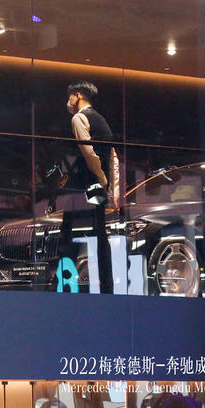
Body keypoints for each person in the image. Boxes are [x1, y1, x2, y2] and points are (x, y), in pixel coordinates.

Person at [64, 81, 119, 294]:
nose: (68, 101)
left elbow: (88, 152)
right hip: (98, 186)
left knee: (70, 232)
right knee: (99, 231)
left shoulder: (79, 118)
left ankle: (65, 286)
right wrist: (110, 186)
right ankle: (106, 285)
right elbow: (112, 156)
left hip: (85, 182)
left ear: (77, 95)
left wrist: (101, 177)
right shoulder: (101, 119)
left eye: (70, 96)